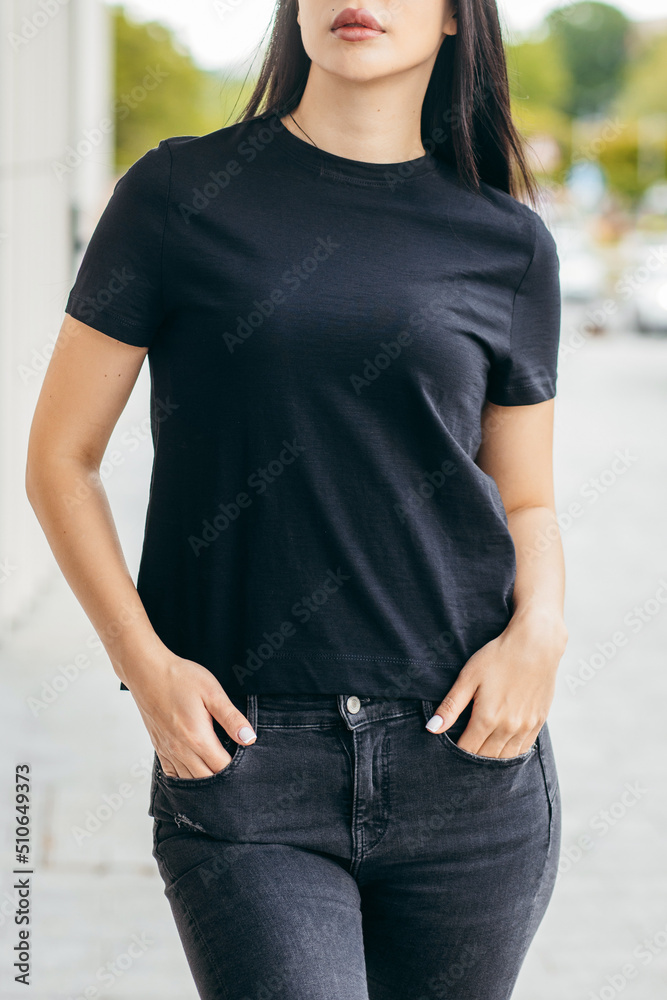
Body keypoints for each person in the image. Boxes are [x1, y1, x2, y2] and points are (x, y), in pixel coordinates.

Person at [25, 0, 568, 996]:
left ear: (455, 18)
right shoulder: (178, 194)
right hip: (244, 758)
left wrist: (540, 633)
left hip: (467, 764)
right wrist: (144, 666)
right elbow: (61, 458)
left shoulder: (509, 243)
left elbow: (523, 498)